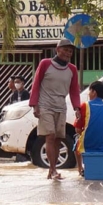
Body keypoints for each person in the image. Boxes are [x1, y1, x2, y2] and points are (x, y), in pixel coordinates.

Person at [29, 38, 82, 180]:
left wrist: (77, 107)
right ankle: (52, 170)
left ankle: (52, 169)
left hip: (61, 106)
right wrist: (34, 105)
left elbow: (74, 90)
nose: (68, 53)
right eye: (65, 50)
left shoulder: (72, 69)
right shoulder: (45, 64)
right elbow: (36, 84)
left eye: (70, 51)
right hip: (45, 105)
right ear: (57, 50)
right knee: (50, 135)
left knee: (59, 138)